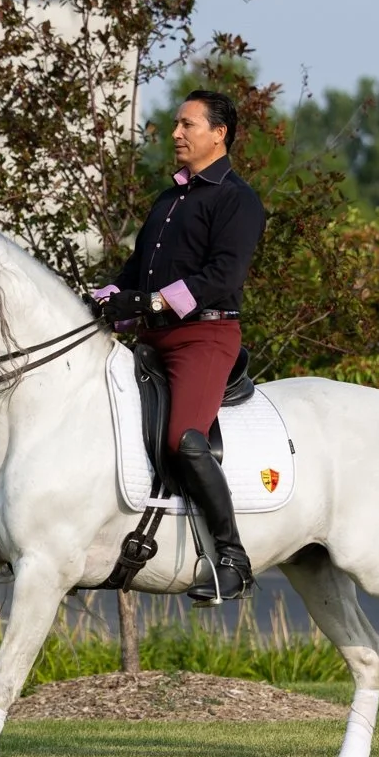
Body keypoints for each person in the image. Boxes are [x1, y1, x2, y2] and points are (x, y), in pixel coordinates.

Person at [90, 89, 267, 604]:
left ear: (219, 134)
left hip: (204, 336)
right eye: (176, 124)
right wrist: (103, 297)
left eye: (187, 125)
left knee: (184, 439)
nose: (176, 134)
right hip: (151, 335)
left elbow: (221, 277)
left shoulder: (238, 199)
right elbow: (135, 270)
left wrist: (150, 303)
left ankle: (233, 559)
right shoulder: (169, 199)